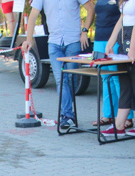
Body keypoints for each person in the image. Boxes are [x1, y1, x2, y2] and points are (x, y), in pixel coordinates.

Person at [22, 0, 95, 129]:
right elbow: (33, 15)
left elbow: (91, 9)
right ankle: (67, 115)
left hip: (72, 41)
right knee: (61, 79)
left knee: (70, 79)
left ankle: (67, 115)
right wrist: (28, 40)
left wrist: (85, 31)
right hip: (54, 43)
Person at [102, 0, 135, 136]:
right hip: (125, 42)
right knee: (124, 84)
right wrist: (110, 42)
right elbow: (122, 19)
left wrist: (133, 50)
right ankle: (119, 125)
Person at [90, 0, 128, 128]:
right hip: (99, 38)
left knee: (117, 77)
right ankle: (108, 115)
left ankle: (127, 117)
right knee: (105, 77)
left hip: (114, 39)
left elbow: (125, 17)